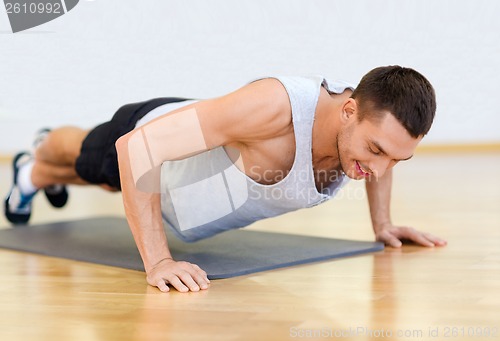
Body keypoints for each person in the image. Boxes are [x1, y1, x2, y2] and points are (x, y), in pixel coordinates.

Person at [4, 65, 447, 293]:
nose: (381, 168)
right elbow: (135, 149)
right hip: (146, 132)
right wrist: (159, 262)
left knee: (107, 182)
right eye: (375, 151)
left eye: (397, 159)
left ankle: (37, 174)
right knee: (88, 158)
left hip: (179, 190)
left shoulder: (366, 134)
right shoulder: (275, 108)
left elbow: (381, 157)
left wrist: (383, 224)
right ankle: (38, 160)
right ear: (348, 111)